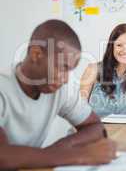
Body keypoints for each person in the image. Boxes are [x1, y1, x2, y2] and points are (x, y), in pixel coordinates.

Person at [0, 20, 117, 170]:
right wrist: (80, 155)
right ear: (36, 54)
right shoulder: (3, 88)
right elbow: (3, 156)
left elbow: (95, 126)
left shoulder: (60, 89)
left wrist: (63, 147)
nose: (66, 78)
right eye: (63, 67)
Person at [80, 23, 126, 116]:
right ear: (112, 47)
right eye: (119, 45)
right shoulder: (93, 70)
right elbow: (79, 110)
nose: (125, 50)